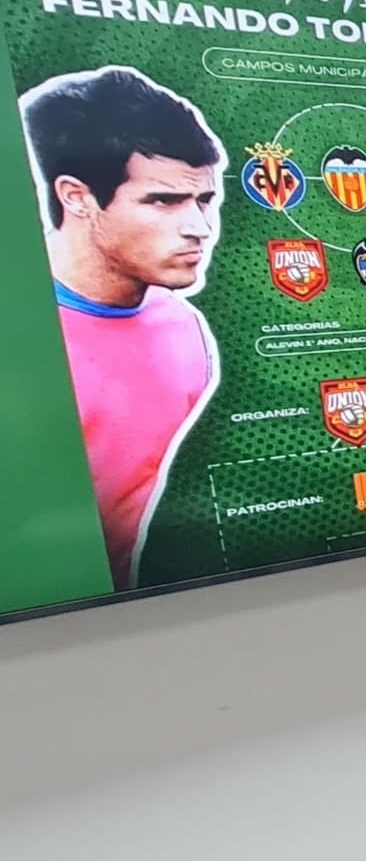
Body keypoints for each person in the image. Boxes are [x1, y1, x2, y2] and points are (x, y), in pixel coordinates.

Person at [20, 65, 226, 591]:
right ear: (77, 196)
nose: (199, 229)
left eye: (204, 200)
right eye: (163, 201)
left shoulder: (183, 326)